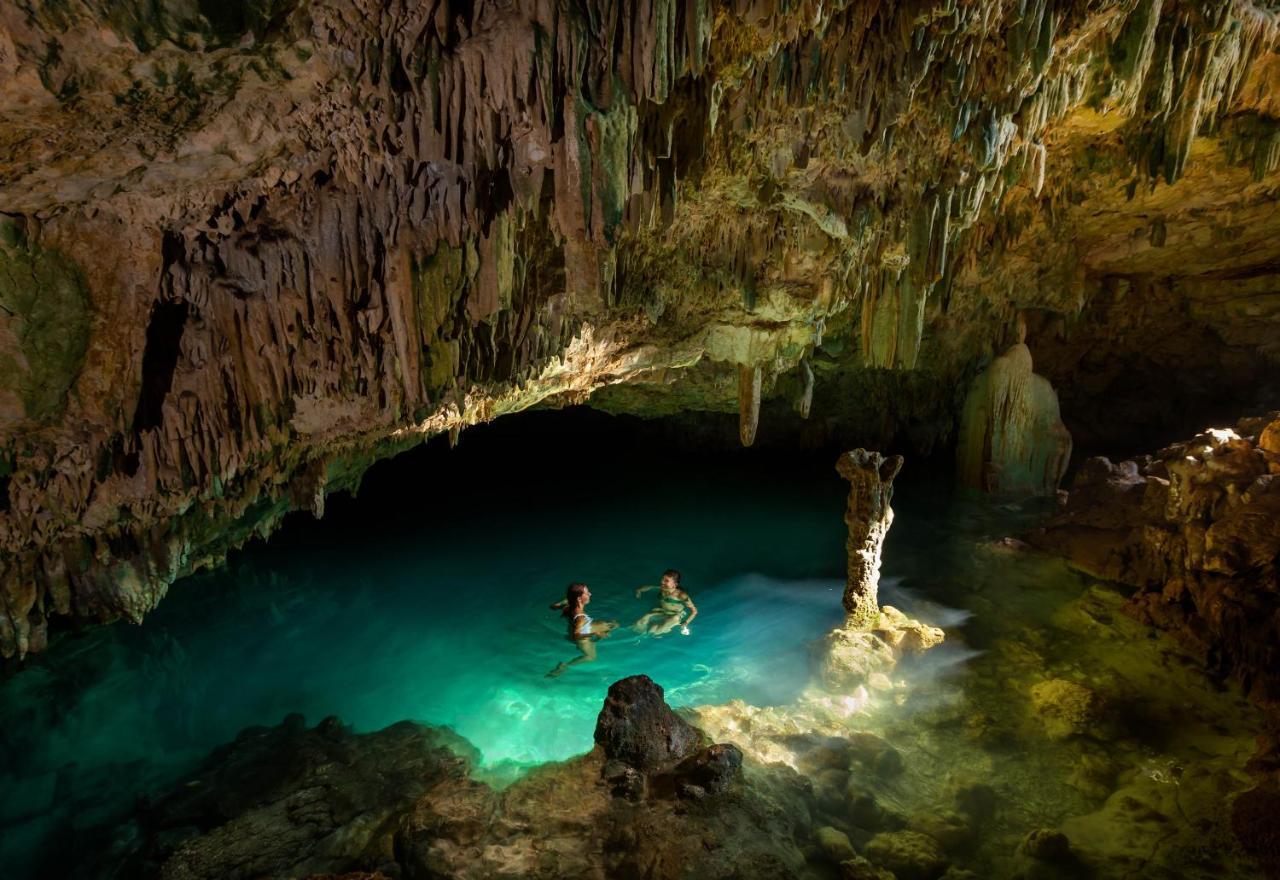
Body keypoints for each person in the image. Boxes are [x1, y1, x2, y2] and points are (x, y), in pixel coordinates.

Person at [547, 582, 617, 677]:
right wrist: (595, 633)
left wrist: (556, 606)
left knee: (613, 624)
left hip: (576, 626)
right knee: (591, 657)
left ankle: (595, 640)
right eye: (587, 593)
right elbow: (576, 635)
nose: (590, 594)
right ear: (579, 599)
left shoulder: (569, 604)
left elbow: (555, 606)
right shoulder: (580, 618)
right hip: (582, 639)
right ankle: (565, 666)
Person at [632, 569, 697, 636]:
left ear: (674, 584)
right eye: (662, 579)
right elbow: (650, 587)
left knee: (653, 632)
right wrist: (639, 590)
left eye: (666, 581)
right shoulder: (663, 588)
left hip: (675, 615)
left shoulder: (681, 595)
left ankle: (663, 631)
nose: (662, 582)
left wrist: (686, 622)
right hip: (663, 611)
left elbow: (694, 611)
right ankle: (635, 635)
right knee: (639, 623)